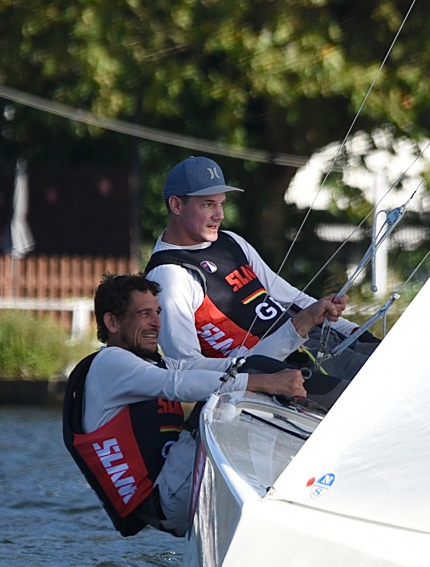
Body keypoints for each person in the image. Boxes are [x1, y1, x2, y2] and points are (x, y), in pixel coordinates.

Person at [61, 273, 305, 538]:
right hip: (165, 500)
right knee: (223, 396)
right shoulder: (109, 363)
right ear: (113, 322)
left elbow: (241, 363)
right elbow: (176, 385)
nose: (157, 323)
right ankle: (304, 479)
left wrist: (302, 325)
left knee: (239, 379)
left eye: (157, 312)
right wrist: (264, 383)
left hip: (179, 487)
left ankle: (290, 487)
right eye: (145, 314)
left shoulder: (160, 363)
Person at [144, 156, 377, 404]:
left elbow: (291, 298)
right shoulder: (169, 275)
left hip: (316, 346)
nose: (219, 215)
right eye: (208, 205)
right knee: (377, 401)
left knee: (400, 365)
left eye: (222, 204)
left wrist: (355, 331)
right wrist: (296, 328)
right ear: (177, 205)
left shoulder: (231, 241)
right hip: (278, 383)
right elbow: (185, 369)